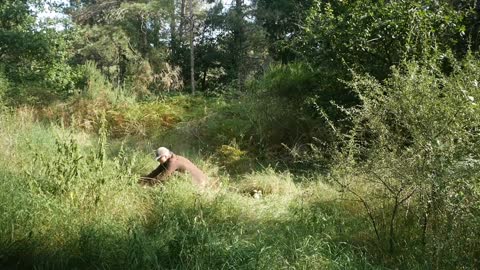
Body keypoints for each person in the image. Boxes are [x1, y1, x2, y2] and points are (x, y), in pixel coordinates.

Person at [139, 147, 208, 188]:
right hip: (200, 180)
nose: (158, 160)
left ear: (165, 156)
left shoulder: (173, 163)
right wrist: (143, 179)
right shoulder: (170, 159)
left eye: (159, 158)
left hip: (200, 182)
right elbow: (156, 171)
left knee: (172, 175)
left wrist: (147, 184)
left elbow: (162, 177)